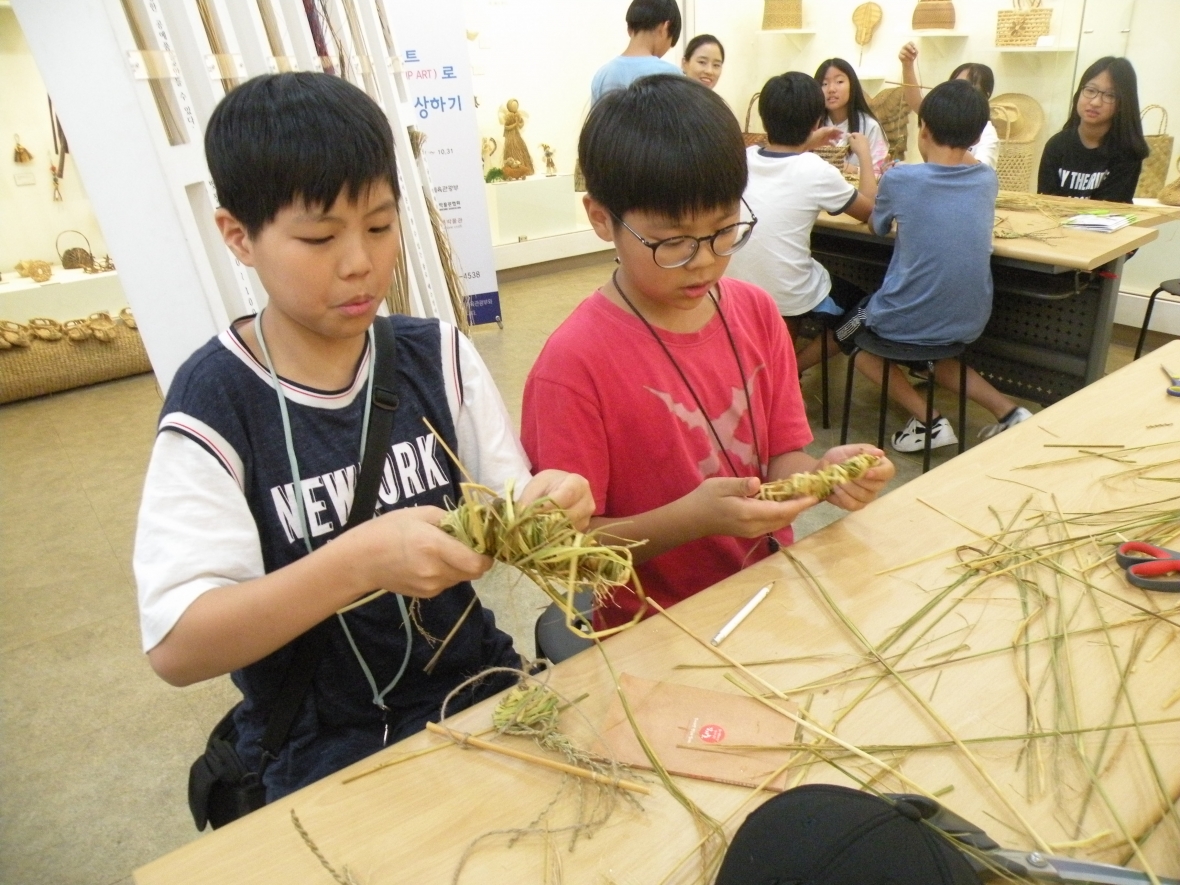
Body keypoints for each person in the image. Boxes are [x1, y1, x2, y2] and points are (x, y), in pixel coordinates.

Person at [133, 72, 593, 802]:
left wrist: (545, 504)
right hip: (324, 746)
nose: (361, 261)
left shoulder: (435, 355)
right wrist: (359, 563)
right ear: (238, 237)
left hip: (479, 691)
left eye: (380, 226)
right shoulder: (215, 401)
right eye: (319, 236)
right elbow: (179, 645)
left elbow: (511, 504)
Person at [520, 74, 895, 631]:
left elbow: (781, 458)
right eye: (672, 242)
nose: (703, 261)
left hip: (765, 590)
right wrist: (690, 520)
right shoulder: (574, 365)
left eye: (724, 230)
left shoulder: (756, 313)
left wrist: (819, 475)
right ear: (602, 219)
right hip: (650, 625)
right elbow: (569, 554)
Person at [835, 80, 1032, 453]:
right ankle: (1010, 412)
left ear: (922, 129)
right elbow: (961, 166)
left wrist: (865, 159)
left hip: (906, 316)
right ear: (975, 139)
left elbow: (876, 225)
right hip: (968, 319)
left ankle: (929, 420)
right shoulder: (986, 179)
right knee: (933, 351)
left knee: (850, 338)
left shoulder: (901, 178)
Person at [725, 72, 876, 372]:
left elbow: (784, 161)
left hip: (733, 288)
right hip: (788, 296)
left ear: (765, 118)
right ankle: (792, 369)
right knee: (865, 311)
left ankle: (783, 372)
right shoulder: (816, 170)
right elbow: (871, 211)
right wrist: (865, 157)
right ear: (816, 121)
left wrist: (807, 142)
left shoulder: (743, 157)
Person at [1038, 56, 1149, 203]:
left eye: (1110, 95)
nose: (1095, 102)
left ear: (1123, 103)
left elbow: (1108, 210)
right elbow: (1044, 201)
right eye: (1090, 90)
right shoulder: (1057, 145)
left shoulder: (1127, 152)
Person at [898, 42, 998, 169]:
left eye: (967, 86)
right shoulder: (942, 117)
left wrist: (949, 144)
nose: (958, 92)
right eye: (955, 85)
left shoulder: (987, 132)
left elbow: (980, 172)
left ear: (985, 95)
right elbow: (917, 103)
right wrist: (907, 65)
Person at [591, 0, 682, 104]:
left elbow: (597, 119)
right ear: (665, 27)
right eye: (670, 44)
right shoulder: (672, 74)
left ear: (629, 29)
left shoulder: (603, 74)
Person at [815, 57, 889, 176]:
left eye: (839, 82)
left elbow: (880, 173)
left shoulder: (870, 126)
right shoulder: (813, 124)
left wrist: (851, 169)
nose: (831, 89)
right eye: (824, 83)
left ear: (852, 85)